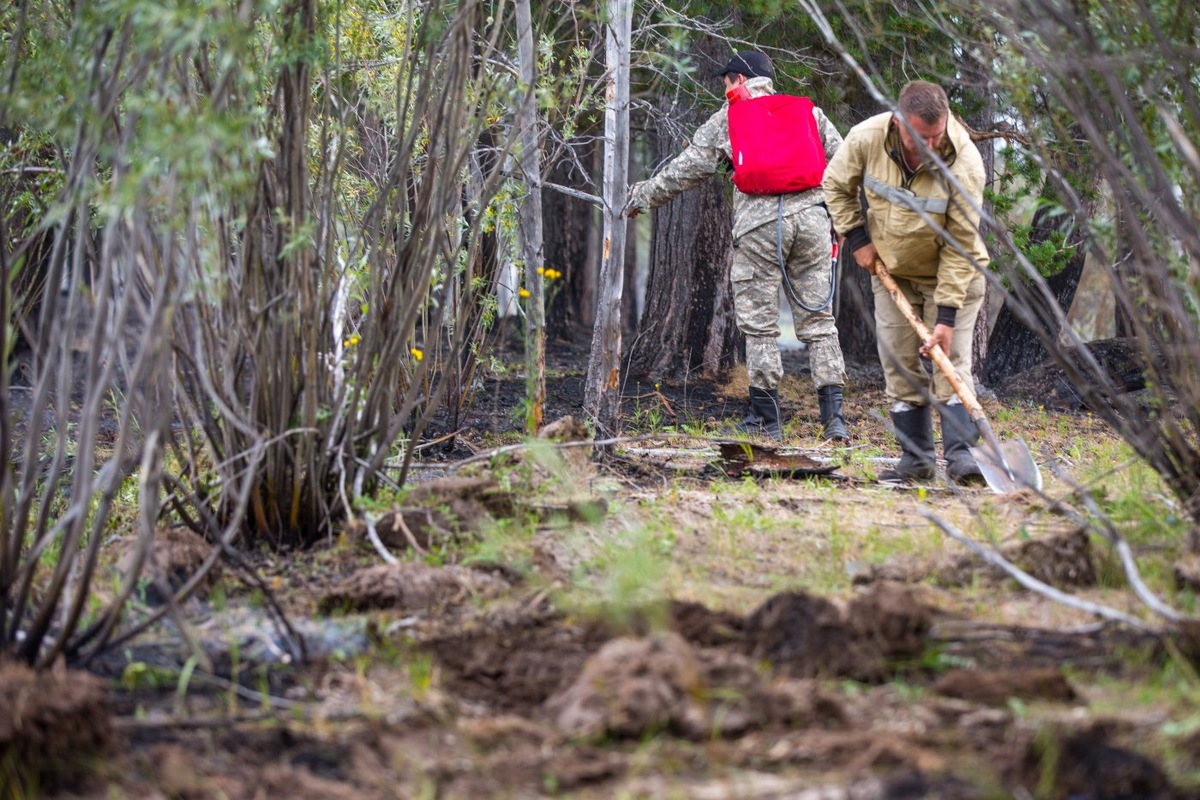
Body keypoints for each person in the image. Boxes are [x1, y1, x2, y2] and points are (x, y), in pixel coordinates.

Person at [623, 51, 848, 443]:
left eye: (726, 81)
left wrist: (642, 197)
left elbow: (685, 169)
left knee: (760, 327)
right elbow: (844, 161)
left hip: (760, 227)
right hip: (813, 222)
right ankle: (835, 420)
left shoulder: (728, 119)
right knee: (819, 321)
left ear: (740, 80)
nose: (723, 89)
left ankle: (766, 419)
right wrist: (842, 218)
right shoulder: (808, 112)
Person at [821, 80, 988, 484]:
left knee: (951, 367)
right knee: (898, 364)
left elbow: (960, 246)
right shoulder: (866, 139)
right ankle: (916, 461)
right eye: (920, 136)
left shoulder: (964, 162)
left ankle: (963, 457)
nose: (931, 144)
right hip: (892, 273)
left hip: (954, 277)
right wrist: (857, 238)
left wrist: (945, 317)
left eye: (937, 135)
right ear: (898, 123)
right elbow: (834, 185)